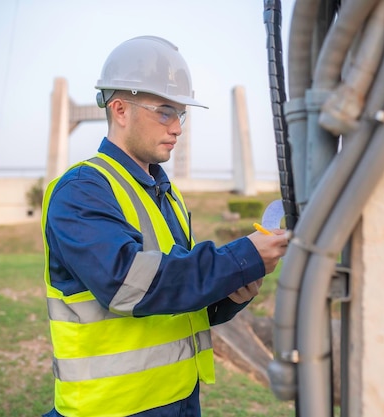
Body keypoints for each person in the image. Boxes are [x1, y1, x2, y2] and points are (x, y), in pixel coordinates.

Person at [41, 36, 288, 417]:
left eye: (181, 114)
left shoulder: (166, 193)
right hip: (111, 409)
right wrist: (242, 257)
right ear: (120, 110)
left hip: (178, 401)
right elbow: (129, 286)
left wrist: (229, 295)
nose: (178, 128)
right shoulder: (81, 191)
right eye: (164, 112)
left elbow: (177, 298)